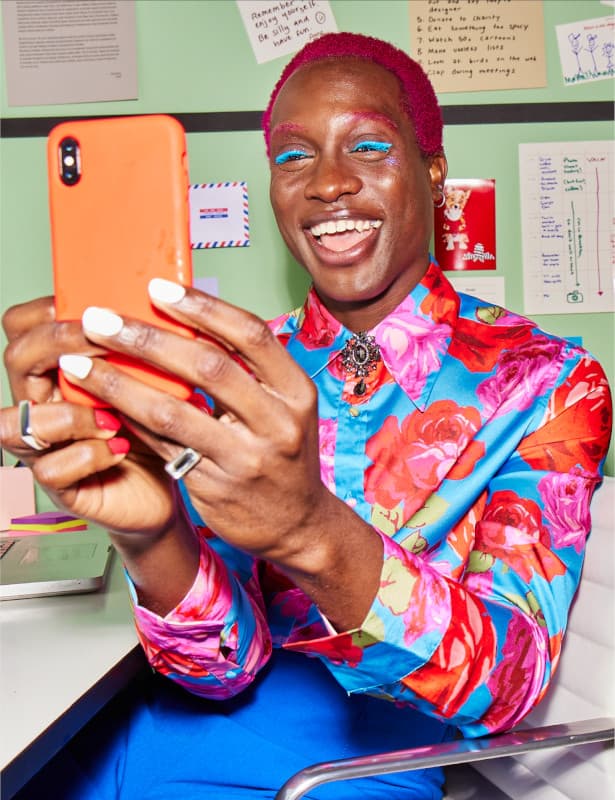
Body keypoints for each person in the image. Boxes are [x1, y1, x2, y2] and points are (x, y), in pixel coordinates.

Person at [1, 32, 612, 800]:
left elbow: (507, 686)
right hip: (143, 729)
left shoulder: (547, 383)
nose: (327, 182)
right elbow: (217, 670)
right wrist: (151, 536)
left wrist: (309, 531)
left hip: (351, 768)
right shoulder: (228, 371)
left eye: (368, 146)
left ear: (432, 171)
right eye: (293, 157)